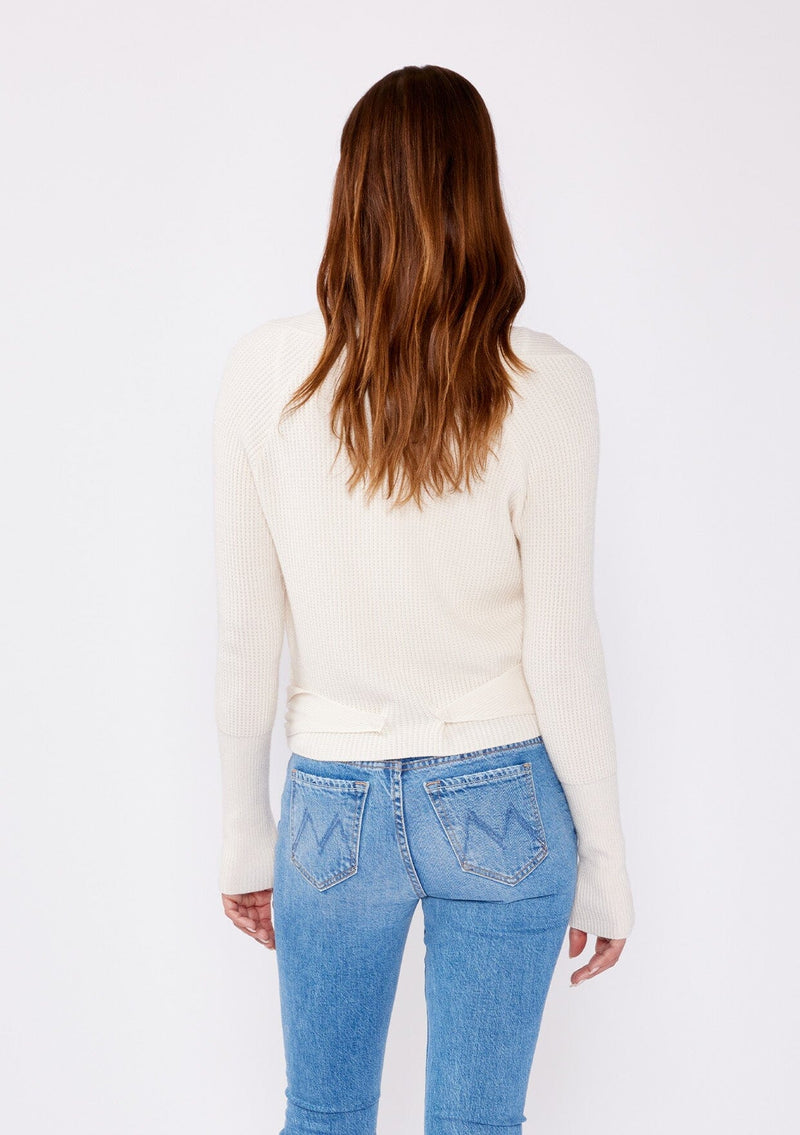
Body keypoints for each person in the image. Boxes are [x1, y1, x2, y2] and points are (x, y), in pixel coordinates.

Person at [212, 63, 635, 1135]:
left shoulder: (264, 374)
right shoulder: (548, 383)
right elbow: (562, 647)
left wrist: (244, 833)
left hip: (330, 808)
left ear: (350, 190)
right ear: (478, 193)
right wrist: (605, 860)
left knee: (323, 1115)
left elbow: (244, 635)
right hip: (504, 794)